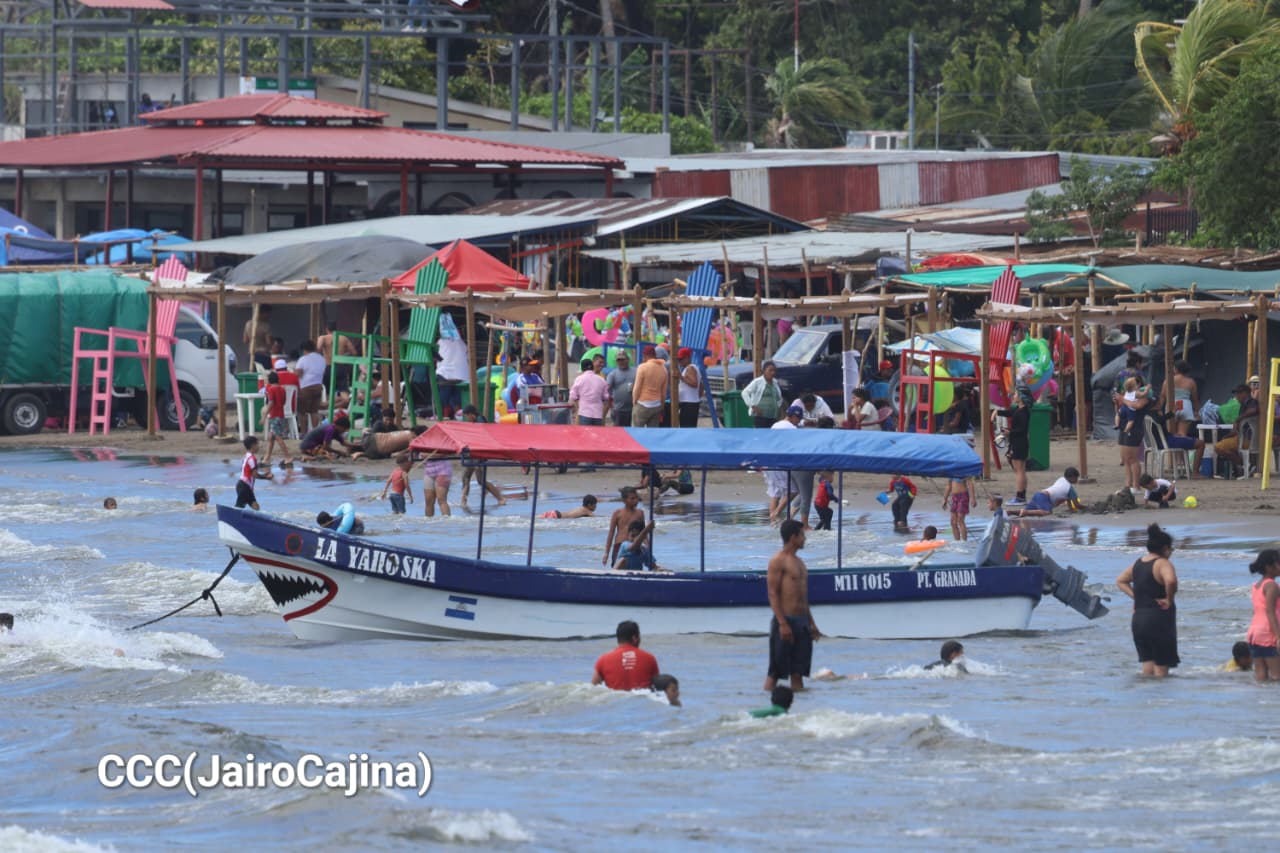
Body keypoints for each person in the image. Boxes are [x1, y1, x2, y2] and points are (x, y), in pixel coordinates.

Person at [1116, 523, 1179, 677]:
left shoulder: (1138, 564)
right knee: (1161, 668)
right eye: (1171, 549)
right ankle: (1161, 699)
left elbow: (1120, 581)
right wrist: (1169, 599)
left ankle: (1147, 698)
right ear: (1165, 548)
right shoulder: (1163, 563)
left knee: (1147, 666)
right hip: (1158, 618)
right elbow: (1170, 581)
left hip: (1138, 619)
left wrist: (1137, 597)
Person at [764, 519, 820, 693]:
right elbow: (773, 593)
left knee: (798, 673)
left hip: (802, 622)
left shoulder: (800, 563)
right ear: (793, 537)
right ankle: (766, 707)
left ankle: (799, 711)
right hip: (785, 621)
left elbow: (803, 597)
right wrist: (782, 623)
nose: (805, 539)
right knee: (775, 672)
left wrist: (811, 623)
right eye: (802, 535)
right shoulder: (778, 561)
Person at [591, 620, 660, 691]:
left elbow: (593, 689)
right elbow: (657, 687)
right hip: (642, 699)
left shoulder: (603, 660)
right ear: (635, 638)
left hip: (615, 699)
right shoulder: (649, 659)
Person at [1246, 548, 1280, 681]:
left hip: (1254, 634)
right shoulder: (1272, 585)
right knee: (1277, 677)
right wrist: (1278, 637)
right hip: (1268, 634)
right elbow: (1270, 611)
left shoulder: (1257, 585)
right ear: (1269, 567)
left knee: (1261, 676)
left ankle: (1260, 701)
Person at [996, 389, 1032, 505]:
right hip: (1016, 442)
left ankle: (1020, 497)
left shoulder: (1024, 412)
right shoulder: (1018, 409)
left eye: (1016, 394)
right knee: (1019, 469)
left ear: (1021, 397)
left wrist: (1009, 432)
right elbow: (1009, 412)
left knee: (1019, 470)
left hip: (1020, 443)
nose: (1013, 396)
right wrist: (997, 412)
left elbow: (1022, 430)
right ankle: (1022, 495)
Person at [1216, 383, 1259, 476]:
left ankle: (1245, 465)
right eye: (1236, 393)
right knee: (1224, 444)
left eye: (1239, 393)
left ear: (1247, 393)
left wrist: (1238, 419)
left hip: (1247, 438)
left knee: (1218, 447)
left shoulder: (1250, 401)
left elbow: (1253, 410)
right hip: (1242, 436)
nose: (1237, 396)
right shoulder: (1242, 405)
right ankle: (1245, 466)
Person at [1014, 467, 1082, 518]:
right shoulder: (1070, 489)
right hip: (1044, 498)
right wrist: (1086, 508)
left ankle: (1010, 512)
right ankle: (1026, 512)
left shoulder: (1061, 479)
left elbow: (1070, 503)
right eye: (1076, 478)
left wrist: (1072, 509)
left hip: (1039, 494)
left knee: (1027, 513)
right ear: (1073, 477)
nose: (1077, 479)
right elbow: (1077, 505)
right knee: (1047, 513)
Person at [603, 486, 645, 565]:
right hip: (619, 545)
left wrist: (648, 549)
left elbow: (643, 533)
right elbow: (611, 533)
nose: (635, 501)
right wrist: (606, 553)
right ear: (624, 500)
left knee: (635, 567)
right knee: (617, 568)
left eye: (636, 498)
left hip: (635, 545)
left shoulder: (640, 513)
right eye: (632, 499)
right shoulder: (617, 513)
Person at [259, 372, 294, 467]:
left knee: (278, 437)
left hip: (274, 416)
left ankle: (288, 456)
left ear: (269, 381)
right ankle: (267, 458)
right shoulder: (282, 389)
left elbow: (271, 403)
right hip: (281, 415)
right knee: (271, 437)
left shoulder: (271, 389)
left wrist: (264, 415)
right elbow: (283, 402)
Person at [631, 346, 668, 428]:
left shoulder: (642, 367)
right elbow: (663, 392)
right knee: (652, 433)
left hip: (642, 403)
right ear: (655, 355)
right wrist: (661, 405)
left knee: (636, 432)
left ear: (645, 355)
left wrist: (634, 401)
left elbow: (637, 388)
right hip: (656, 405)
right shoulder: (663, 369)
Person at [317, 321, 358, 393]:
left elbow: (317, 350)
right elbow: (354, 353)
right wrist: (343, 353)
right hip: (341, 367)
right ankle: (345, 401)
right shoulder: (344, 338)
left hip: (328, 367)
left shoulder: (323, 338)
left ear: (327, 329)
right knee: (343, 391)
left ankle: (330, 403)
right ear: (337, 329)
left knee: (327, 391)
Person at [294, 340, 326, 432]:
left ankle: (304, 432)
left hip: (305, 388)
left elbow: (298, 373)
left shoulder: (303, 359)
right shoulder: (321, 358)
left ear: (304, 350)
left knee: (302, 412)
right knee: (314, 411)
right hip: (318, 387)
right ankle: (315, 432)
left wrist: (293, 372)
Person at [569, 355, 609, 426]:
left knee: (585, 435)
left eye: (603, 363)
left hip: (584, 413)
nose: (602, 365)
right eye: (600, 362)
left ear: (582, 369)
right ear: (593, 365)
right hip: (598, 414)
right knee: (596, 435)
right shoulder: (602, 380)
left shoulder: (579, 379)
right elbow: (606, 398)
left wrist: (578, 408)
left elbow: (573, 396)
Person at [742, 361, 784, 429]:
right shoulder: (757, 382)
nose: (773, 373)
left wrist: (779, 408)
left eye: (774, 370)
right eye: (770, 370)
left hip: (774, 417)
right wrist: (753, 406)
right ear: (764, 371)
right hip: (761, 417)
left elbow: (779, 397)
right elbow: (744, 393)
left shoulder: (775, 382)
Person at [235, 436, 270, 510]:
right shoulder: (252, 459)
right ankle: (230, 520)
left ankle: (252, 521)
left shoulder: (246, 456)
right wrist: (266, 477)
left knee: (255, 507)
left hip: (242, 485)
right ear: (253, 445)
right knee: (238, 508)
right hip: (245, 486)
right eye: (257, 444)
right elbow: (254, 475)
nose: (259, 447)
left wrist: (251, 487)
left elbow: (247, 472)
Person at [1169, 360, 1200, 437]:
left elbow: (1162, 396)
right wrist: (1196, 411)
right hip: (1186, 406)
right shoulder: (1191, 382)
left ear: (1176, 369)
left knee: (1171, 434)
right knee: (1182, 434)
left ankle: (1173, 448)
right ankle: (1182, 448)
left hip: (1173, 405)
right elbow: (1195, 400)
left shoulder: (1169, 380)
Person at [606, 349, 636, 426]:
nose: (621, 362)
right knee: (618, 432)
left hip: (633, 408)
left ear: (628, 359)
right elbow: (607, 390)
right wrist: (609, 405)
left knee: (632, 432)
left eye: (623, 359)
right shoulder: (613, 374)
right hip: (618, 409)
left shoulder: (636, 371)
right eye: (618, 360)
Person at [943, 474, 975, 541]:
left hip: (963, 496)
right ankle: (957, 541)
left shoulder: (964, 470)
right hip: (954, 497)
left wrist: (972, 498)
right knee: (953, 522)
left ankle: (964, 541)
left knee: (960, 519)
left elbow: (970, 484)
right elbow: (949, 486)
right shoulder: (952, 471)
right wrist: (945, 499)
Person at [676, 347, 702, 428]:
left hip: (688, 404)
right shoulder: (694, 367)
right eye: (678, 359)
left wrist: (681, 377)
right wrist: (697, 397)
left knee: (686, 428)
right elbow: (701, 385)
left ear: (687, 358)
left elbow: (695, 383)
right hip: (692, 403)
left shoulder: (690, 368)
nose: (679, 362)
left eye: (681, 359)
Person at [243, 305, 273, 370]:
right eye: (268, 313)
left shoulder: (248, 324)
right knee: (265, 377)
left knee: (253, 377)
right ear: (262, 313)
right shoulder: (265, 326)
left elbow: (245, 340)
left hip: (251, 354)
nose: (269, 316)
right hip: (263, 355)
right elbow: (269, 342)